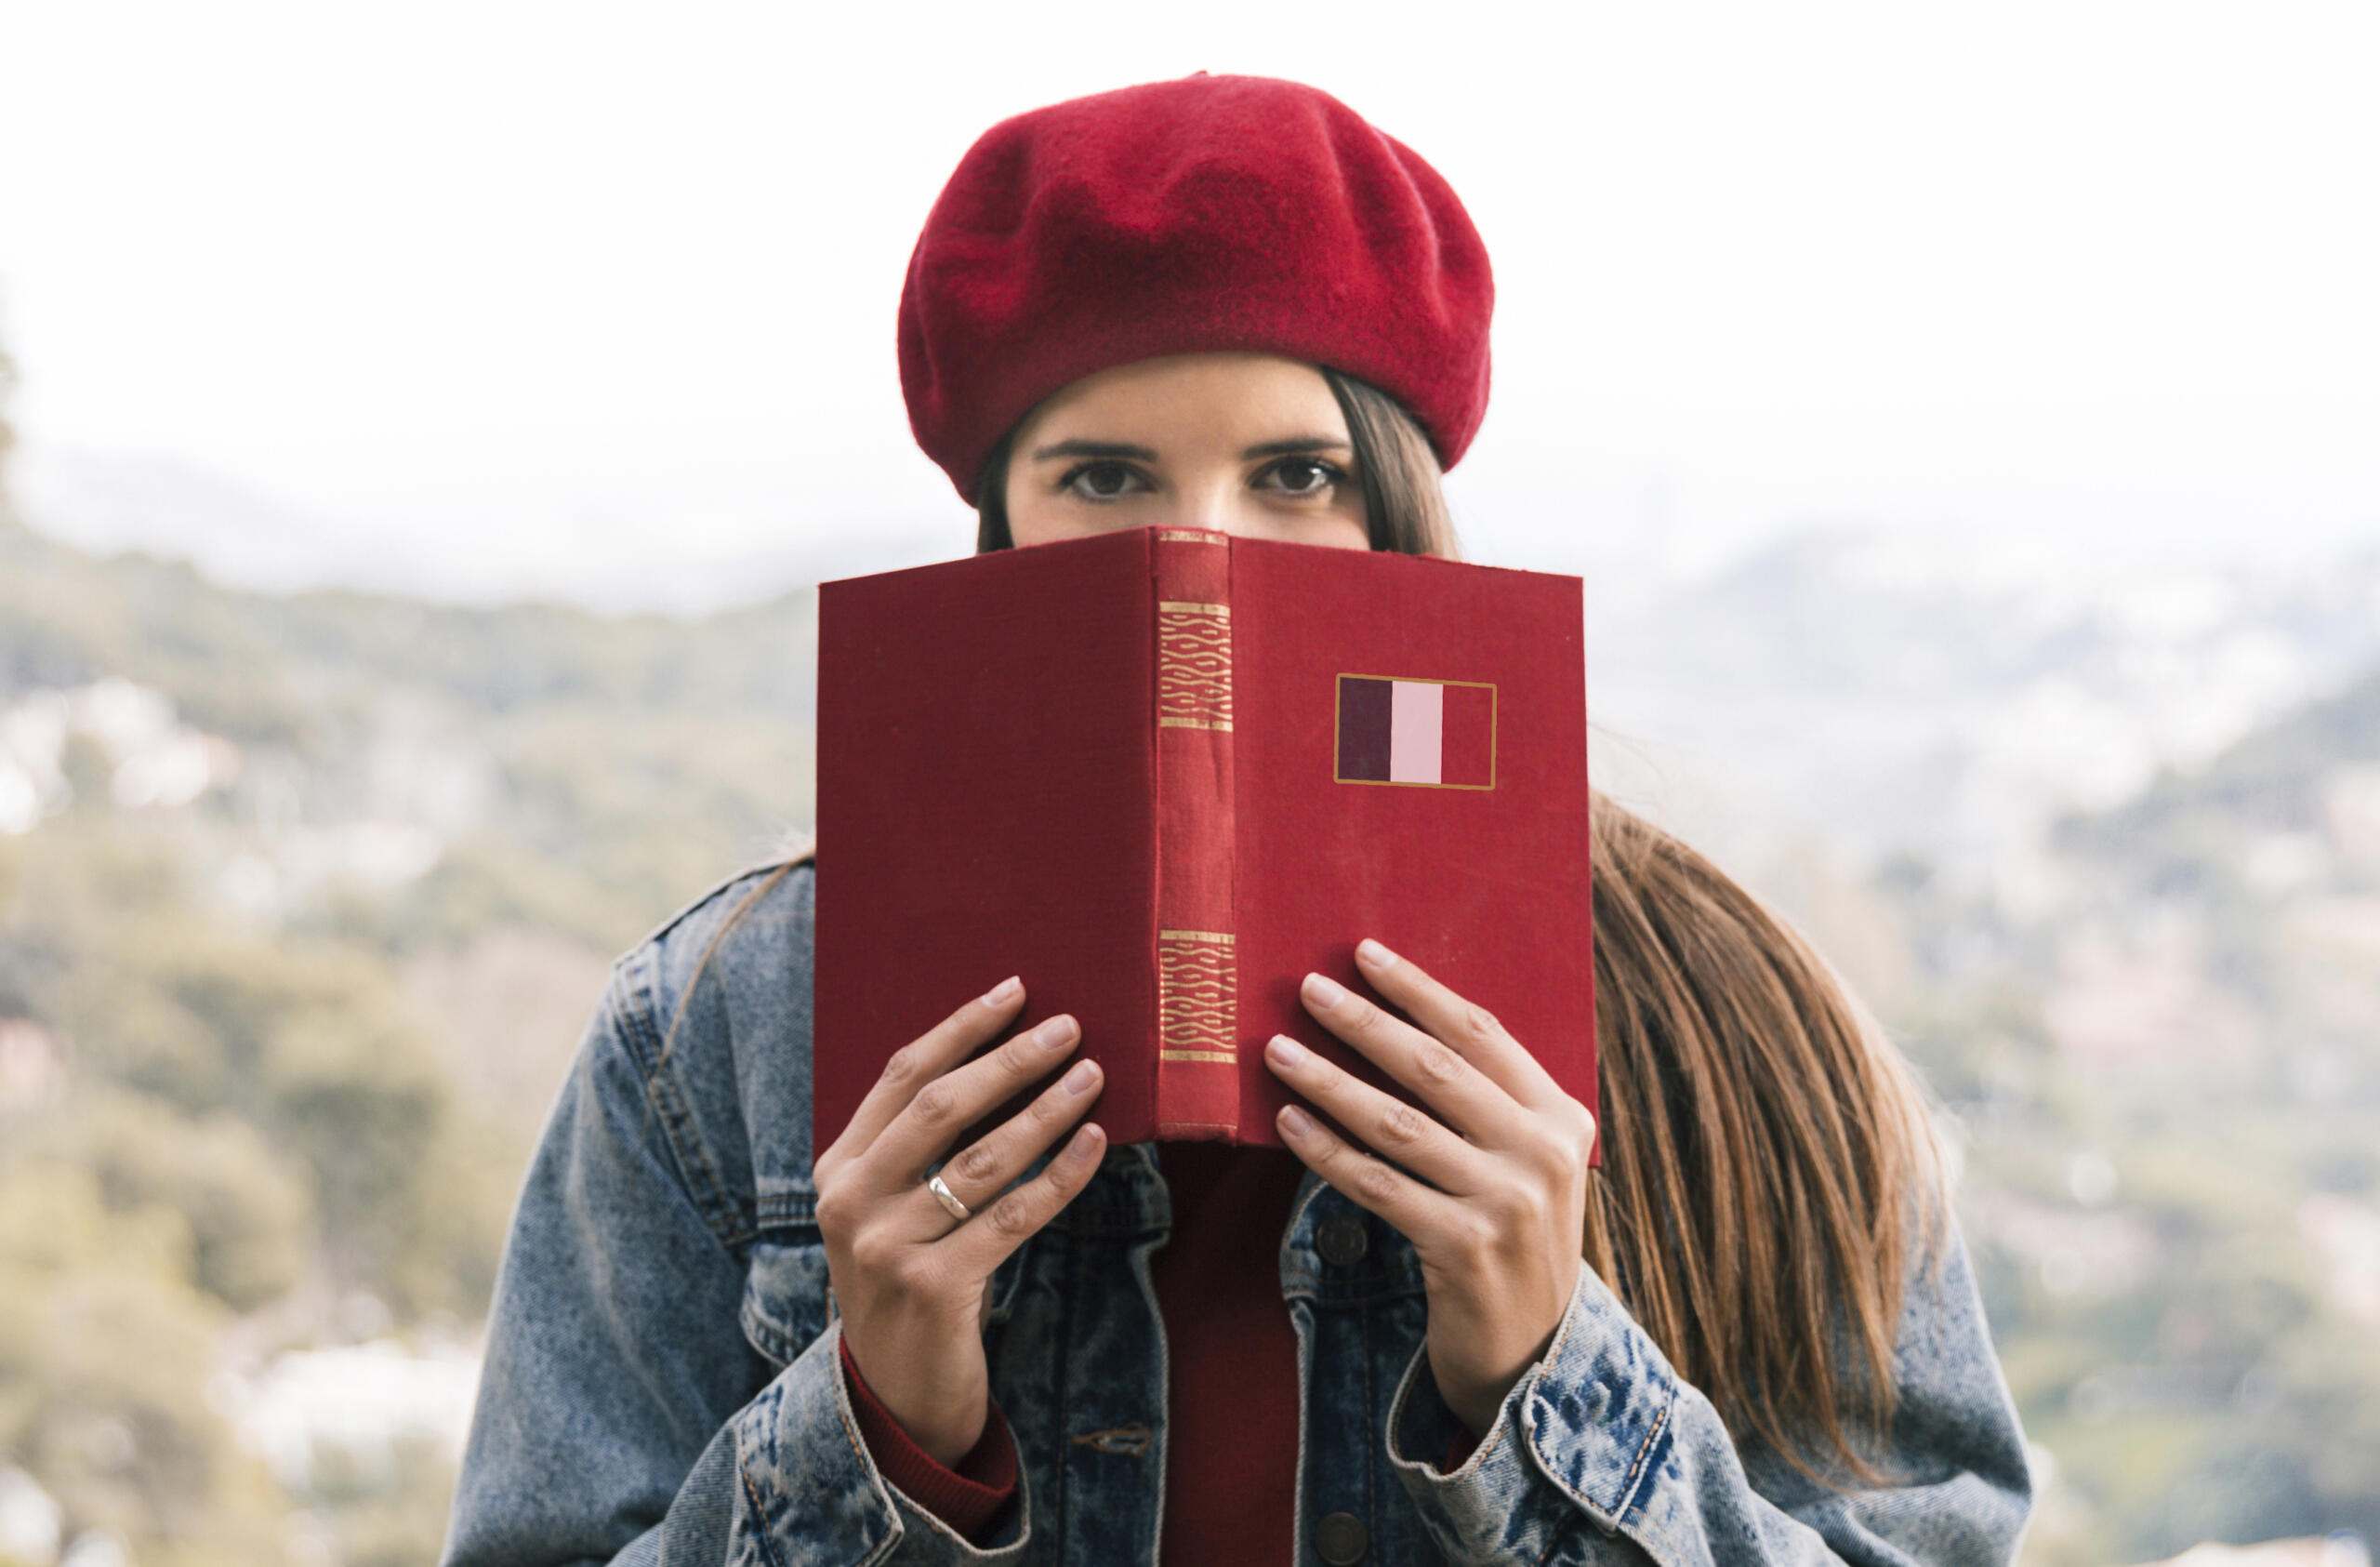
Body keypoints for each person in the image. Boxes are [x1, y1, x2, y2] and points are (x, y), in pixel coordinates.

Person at [442, 74, 2034, 1566]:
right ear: (1003, 533)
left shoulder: (1736, 1023)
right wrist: (879, 1432)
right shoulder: (722, 1028)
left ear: (1403, 516)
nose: (1202, 555)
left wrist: (1550, 1375)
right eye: (1108, 474)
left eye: (1297, 473)